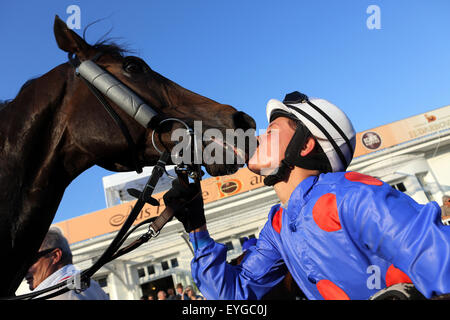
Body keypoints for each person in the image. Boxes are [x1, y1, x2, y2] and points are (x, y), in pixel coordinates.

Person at [163, 91, 450, 300]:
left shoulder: (352, 195)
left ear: (305, 145)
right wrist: (197, 227)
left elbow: (440, 255)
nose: (259, 138)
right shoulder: (277, 227)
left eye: (272, 131)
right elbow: (234, 295)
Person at [25, 227, 109, 300]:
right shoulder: (93, 287)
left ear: (55, 256)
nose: (24, 271)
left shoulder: (57, 294)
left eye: (30, 261)